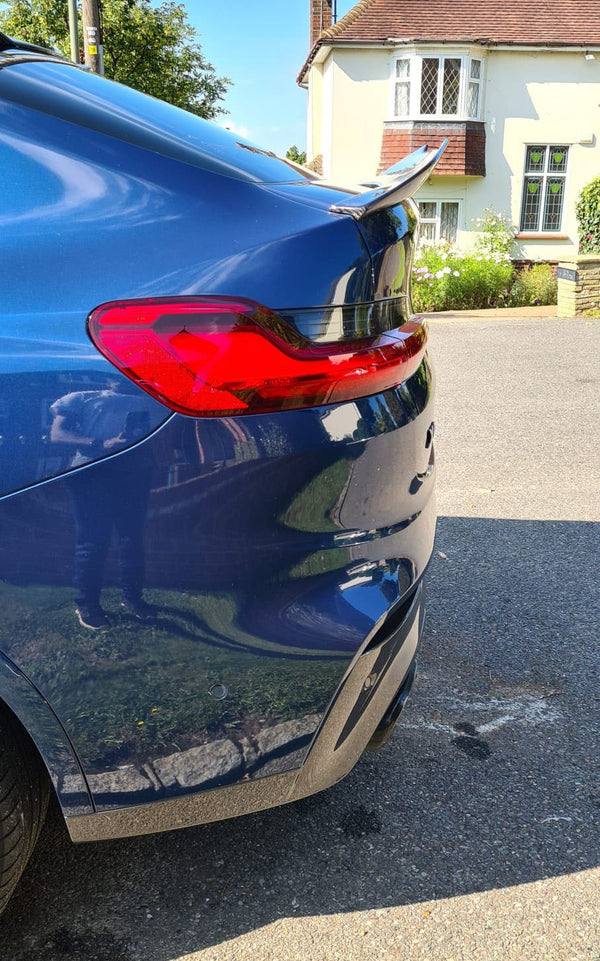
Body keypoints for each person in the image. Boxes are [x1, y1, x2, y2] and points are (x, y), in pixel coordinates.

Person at [50, 378, 155, 629]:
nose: (119, 376)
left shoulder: (149, 397)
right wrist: (101, 444)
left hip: (133, 472)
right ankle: (87, 604)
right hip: (90, 473)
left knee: (132, 537)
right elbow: (57, 434)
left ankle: (131, 598)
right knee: (93, 539)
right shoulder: (81, 397)